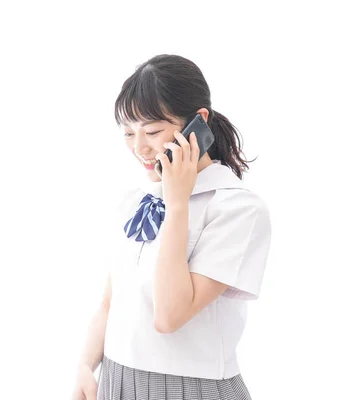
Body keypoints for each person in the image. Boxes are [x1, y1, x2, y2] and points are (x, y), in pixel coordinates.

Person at [71, 54, 272, 400]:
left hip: (189, 390)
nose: (139, 148)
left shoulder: (237, 209)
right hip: (115, 383)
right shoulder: (136, 201)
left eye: (151, 131)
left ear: (198, 122)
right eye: (129, 133)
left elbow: (168, 316)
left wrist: (178, 203)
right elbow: (109, 304)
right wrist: (85, 367)